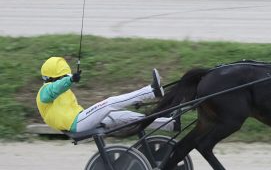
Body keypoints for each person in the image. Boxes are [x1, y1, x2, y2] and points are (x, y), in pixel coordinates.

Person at [36, 57, 178, 133]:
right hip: (77, 124)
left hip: (82, 118)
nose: (65, 79)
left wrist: (68, 80)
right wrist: (70, 79)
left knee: (126, 117)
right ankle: (152, 91)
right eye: (62, 77)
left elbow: (59, 86)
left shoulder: (60, 88)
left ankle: (169, 123)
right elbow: (54, 89)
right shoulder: (45, 91)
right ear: (52, 78)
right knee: (109, 103)